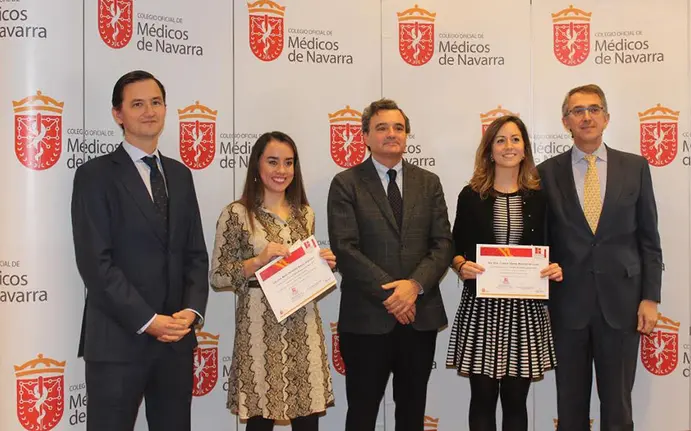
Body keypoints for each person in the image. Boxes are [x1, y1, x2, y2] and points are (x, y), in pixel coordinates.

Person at [71, 70, 209, 431]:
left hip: (175, 343)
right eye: (137, 104)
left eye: (156, 102)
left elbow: (195, 253)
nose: (149, 111)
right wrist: (149, 321)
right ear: (118, 114)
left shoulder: (180, 175)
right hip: (118, 341)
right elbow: (96, 265)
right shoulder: (95, 176)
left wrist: (191, 311)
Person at [537, 84, 663, 431]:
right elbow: (541, 241)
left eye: (594, 109)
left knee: (618, 405)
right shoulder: (546, 173)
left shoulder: (635, 167)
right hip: (567, 307)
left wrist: (650, 297)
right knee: (570, 403)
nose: (587, 116)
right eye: (578, 111)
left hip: (622, 305)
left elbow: (649, 239)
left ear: (606, 118)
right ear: (566, 121)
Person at [327, 98, 453, 431]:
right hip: (367, 320)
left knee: (411, 416)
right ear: (365, 136)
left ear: (407, 135)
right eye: (381, 127)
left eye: (398, 127)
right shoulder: (346, 183)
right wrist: (393, 295)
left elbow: (442, 244)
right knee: (362, 415)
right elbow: (345, 248)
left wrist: (412, 288)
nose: (391, 134)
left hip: (419, 317)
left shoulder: (430, 183)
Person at [209, 131, 335, 431]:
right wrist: (257, 261)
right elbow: (217, 275)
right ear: (257, 165)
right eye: (273, 162)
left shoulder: (305, 214)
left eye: (288, 163)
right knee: (259, 420)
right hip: (258, 329)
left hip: (303, 327)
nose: (282, 171)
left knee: (307, 419)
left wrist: (324, 263)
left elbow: (305, 272)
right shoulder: (237, 214)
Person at [446, 115, 563, 431]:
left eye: (515, 139)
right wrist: (460, 264)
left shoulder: (542, 197)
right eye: (500, 140)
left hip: (526, 312)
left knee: (515, 402)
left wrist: (554, 266)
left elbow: (555, 247)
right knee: (482, 400)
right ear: (489, 150)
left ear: (525, 149)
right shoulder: (470, 195)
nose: (508, 146)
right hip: (482, 310)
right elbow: (454, 245)